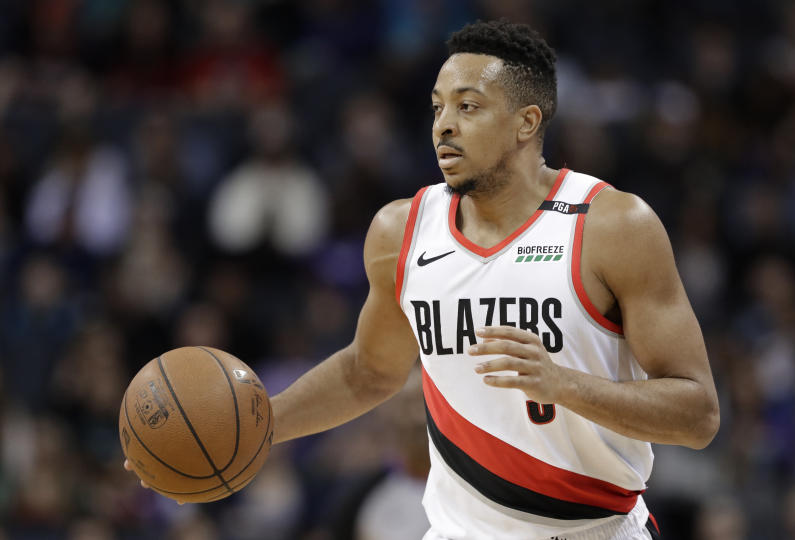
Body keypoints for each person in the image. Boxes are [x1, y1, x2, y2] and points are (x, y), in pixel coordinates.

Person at [127, 19, 720, 540]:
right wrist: (247, 434)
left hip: (591, 531)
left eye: (468, 106)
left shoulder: (612, 224)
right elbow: (369, 371)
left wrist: (563, 384)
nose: (444, 126)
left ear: (526, 122)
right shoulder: (400, 230)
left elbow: (697, 415)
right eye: (437, 107)